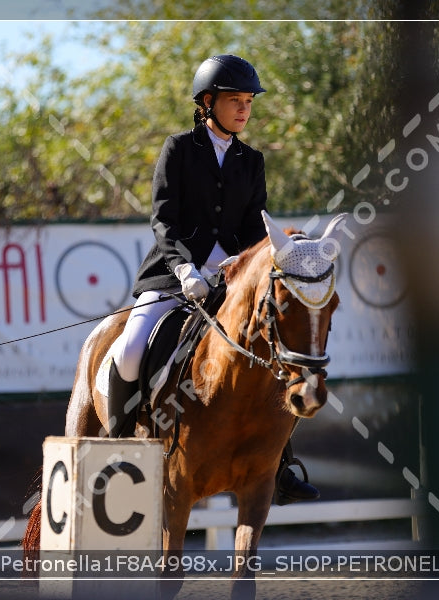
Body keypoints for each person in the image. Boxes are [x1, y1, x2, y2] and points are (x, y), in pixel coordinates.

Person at [105, 54, 319, 505]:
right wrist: (185, 269)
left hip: (230, 282)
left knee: (271, 351)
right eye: (235, 100)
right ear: (207, 102)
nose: (244, 109)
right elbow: (164, 221)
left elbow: (252, 229)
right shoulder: (179, 149)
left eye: (248, 101)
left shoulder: (251, 160)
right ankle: (119, 447)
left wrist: (241, 264)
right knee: (127, 351)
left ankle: (281, 464)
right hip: (171, 275)